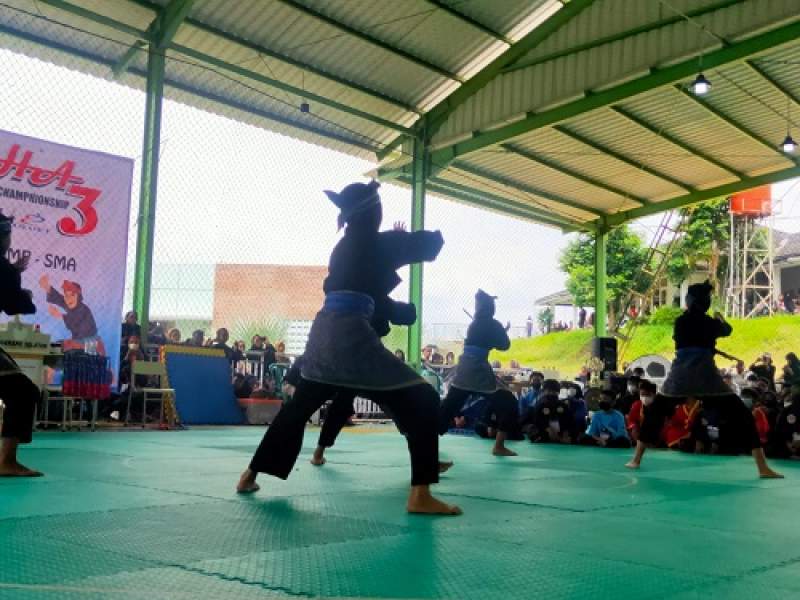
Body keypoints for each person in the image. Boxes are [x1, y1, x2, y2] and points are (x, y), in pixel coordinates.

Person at [237, 180, 460, 515]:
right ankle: (421, 494)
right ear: (375, 212)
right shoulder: (376, 242)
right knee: (423, 396)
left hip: (323, 331)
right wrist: (400, 238)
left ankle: (248, 475)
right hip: (351, 335)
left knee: (299, 408)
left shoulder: (344, 247)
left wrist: (394, 248)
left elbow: (369, 286)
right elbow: (433, 244)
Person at [626, 281, 782, 478]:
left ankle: (636, 459)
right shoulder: (711, 323)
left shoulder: (681, 322)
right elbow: (727, 330)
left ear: (689, 301)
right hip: (707, 376)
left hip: (681, 376)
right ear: (706, 302)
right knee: (742, 415)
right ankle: (762, 468)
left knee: (655, 412)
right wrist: (719, 319)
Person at [439, 290, 519, 457]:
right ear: (492, 308)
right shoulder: (491, 324)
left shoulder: (475, 324)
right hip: (478, 369)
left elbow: (488, 340)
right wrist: (503, 331)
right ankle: (499, 445)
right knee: (508, 402)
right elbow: (504, 345)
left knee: (449, 408)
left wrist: (498, 331)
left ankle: (426, 443)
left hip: (466, 367)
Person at [0, 212, 43, 476]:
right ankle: (6, 461)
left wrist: (13, 273)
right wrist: (25, 296)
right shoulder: (3, 269)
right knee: (23, 392)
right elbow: (15, 306)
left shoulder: (4, 269)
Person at [39, 276, 105, 355]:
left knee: (63, 348)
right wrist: (47, 287)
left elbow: (78, 324)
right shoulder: (70, 304)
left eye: (73, 295)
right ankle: (49, 365)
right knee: (54, 348)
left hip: (93, 346)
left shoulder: (83, 309)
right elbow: (59, 298)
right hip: (80, 344)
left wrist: (60, 316)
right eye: (66, 295)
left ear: (78, 296)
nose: (69, 298)